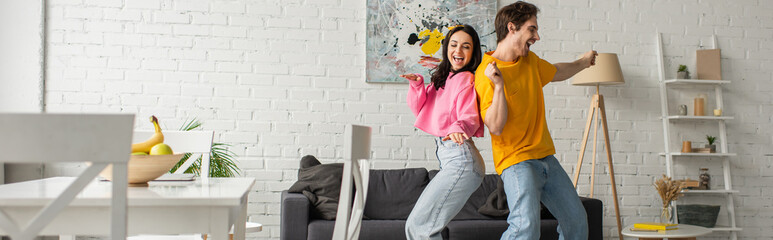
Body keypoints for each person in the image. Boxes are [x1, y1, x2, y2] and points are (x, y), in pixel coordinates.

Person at [473, 2, 598, 240]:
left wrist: (583, 62)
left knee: (577, 222)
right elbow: (495, 126)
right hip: (516, 161)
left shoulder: (530, 61)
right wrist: (499, 86)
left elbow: (556, 71)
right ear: (512, 28)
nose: (537, 36)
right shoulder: (486, 73)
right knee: (525, 228)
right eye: (532, 29)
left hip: (545, 157)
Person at [402, 25, 486, 240]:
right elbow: (421, 108)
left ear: (473, 52)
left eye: (466, 46)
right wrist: (417, 84)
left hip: (461, 159)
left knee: (419, 227)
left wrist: (460, 127)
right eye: (454, 44)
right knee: (420, 227)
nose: (458, 51)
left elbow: (469, 115)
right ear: (447, 48)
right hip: (453, 159)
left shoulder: (466, 79)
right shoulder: (444, 77)